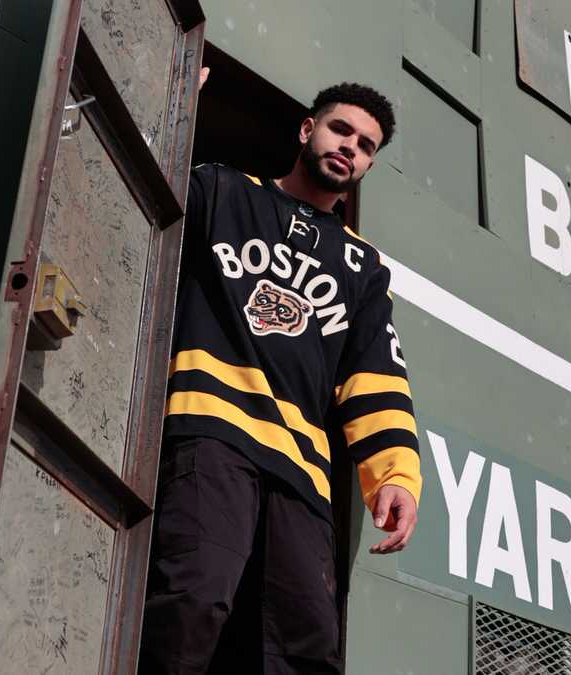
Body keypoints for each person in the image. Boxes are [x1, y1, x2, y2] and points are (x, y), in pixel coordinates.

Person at [139, 76, 422, 675]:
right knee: (192, 600)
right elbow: (137, 191)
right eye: (341, 129)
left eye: (367, 145)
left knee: (306, 649)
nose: (351, 146)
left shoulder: (362, 266)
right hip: (212, 432)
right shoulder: (222, 190)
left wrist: (393, 476)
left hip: (301, 471)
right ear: (307, 130)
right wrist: (167, 93)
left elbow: (377, 376)